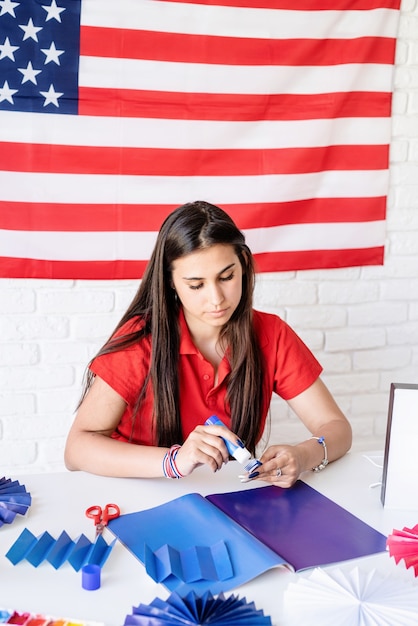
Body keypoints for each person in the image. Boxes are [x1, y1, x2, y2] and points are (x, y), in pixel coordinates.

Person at [64, 201, 352, 486]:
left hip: (223, 497)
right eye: (196, 285)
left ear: (244, 265)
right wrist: (174, 461)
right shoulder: (142, 339)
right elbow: (76, 450)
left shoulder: (271, 334)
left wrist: (303, 455)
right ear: (171, 282)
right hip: (139, 493)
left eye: (226, 277)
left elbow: (337, 429)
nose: (216, 298)